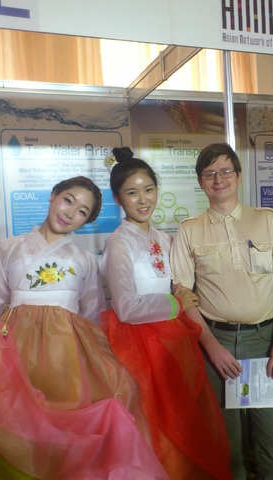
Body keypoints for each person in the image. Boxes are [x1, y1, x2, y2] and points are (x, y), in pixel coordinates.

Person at [0, 176, 168, 480]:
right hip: (13, 352)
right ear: (54, 195)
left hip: (65, 355)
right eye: (68, 200)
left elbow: (92, 316)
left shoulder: (85, 260)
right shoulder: (9, 248)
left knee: (68, 428)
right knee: (17, 428)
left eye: (82, 212)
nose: (70, 213)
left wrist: (105, 364)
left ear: (86, 222)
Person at [170, 142, 273, 480]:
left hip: (266, 341)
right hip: (214, 343)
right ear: (200, 182)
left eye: (225, 171)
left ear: (239, 176)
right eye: (210, 173)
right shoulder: (188, 230)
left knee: (272, 442)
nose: (219, 179)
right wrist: (212, 348)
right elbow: (182, 294)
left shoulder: (267, 219)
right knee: (226, 442)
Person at [101, 147, 232, 480]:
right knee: (154, 426)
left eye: (149, 189)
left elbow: (180, 286)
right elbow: (127, 307)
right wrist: (176, 304)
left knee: (184, 421)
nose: (143, 199)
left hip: (173, 342)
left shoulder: (164, 237)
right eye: (132, 192)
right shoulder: (119, 242)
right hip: (138, 345)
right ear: (118, 198)